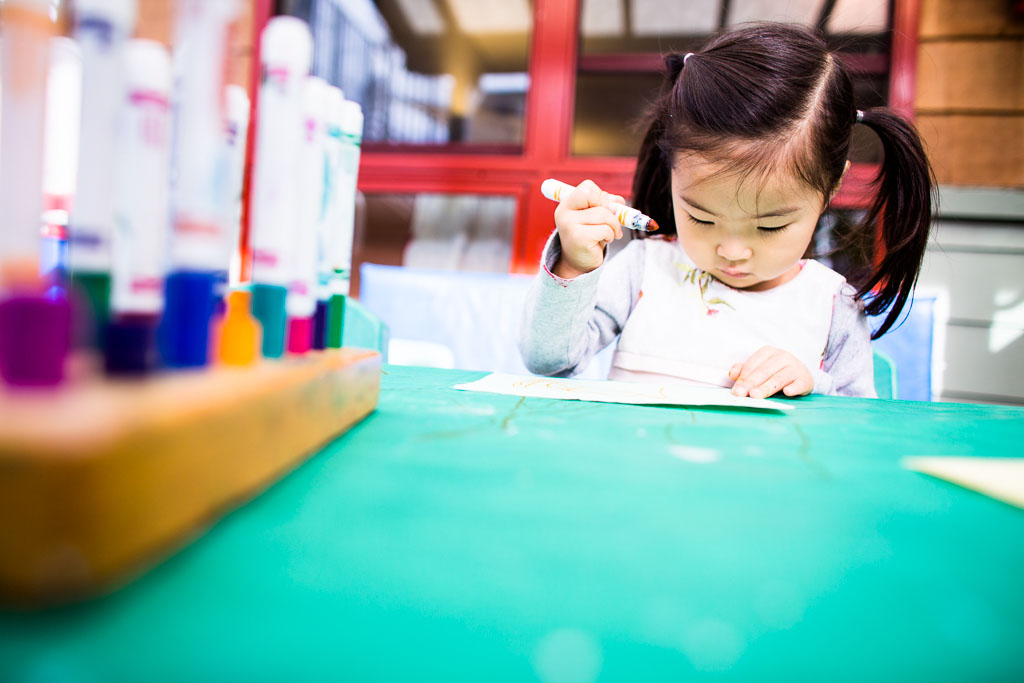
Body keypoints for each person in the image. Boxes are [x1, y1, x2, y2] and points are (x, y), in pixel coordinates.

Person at [519, 23, 935, 399]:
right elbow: (549, 362)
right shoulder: (645, 270)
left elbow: (861, 432)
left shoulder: (831, 305)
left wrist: (813, 384)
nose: (732, 251)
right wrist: (573, 265)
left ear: (832, 187)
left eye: (770, 226)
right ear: (672, 174)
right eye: (701, 218)